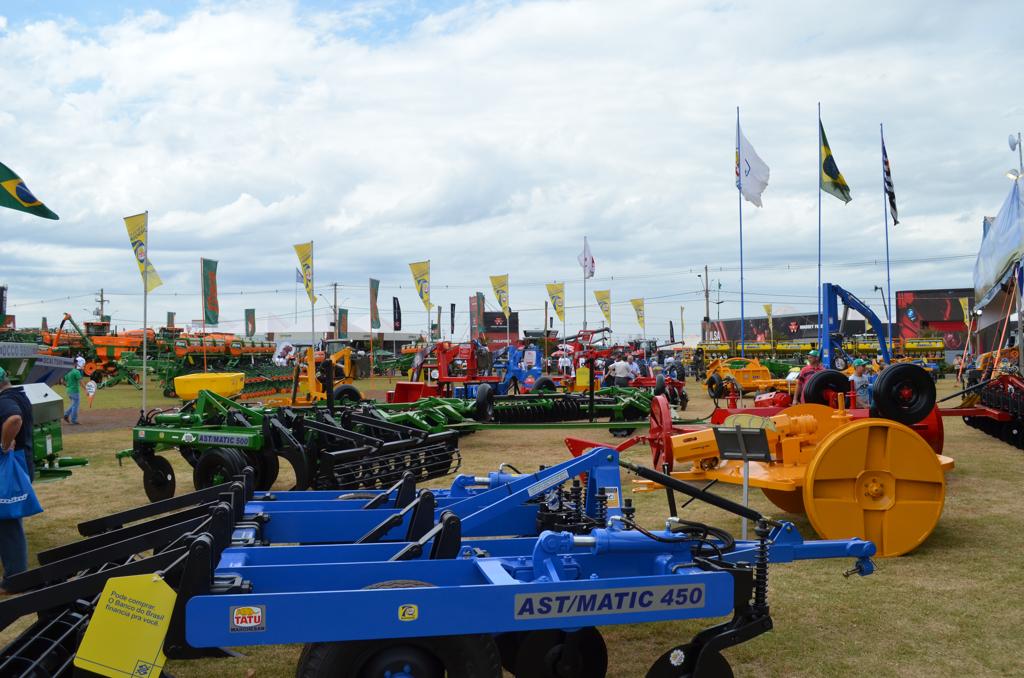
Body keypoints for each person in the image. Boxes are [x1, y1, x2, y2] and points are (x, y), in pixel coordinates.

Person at [0, 366, 34, 587]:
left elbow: (14, 419)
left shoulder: (5, 401)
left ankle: (15, 579)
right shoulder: (20, 394)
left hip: (11, 466)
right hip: (22, 463)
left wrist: (4, 445)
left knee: (8, 523)